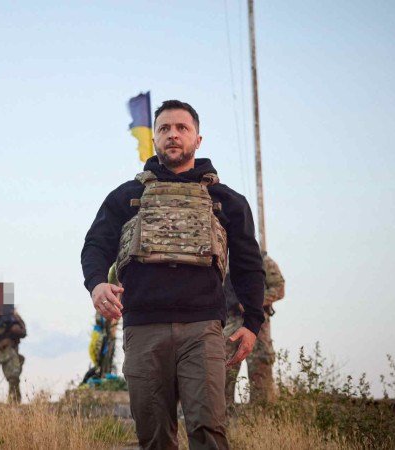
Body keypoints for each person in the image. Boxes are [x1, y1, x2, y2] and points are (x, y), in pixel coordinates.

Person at [81, 100, 265, 449]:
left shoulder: (228, 201)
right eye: (164, 128)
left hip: (203, 329)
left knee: (209, 432)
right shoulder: (126, 196)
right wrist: (97, 284)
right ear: (155, 139)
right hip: (143, 329)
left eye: (182, 128)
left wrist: (253, 322)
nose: (173, 134)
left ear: (198, 139)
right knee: (153, 437)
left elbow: (248, 264)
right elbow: (95, 245)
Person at [225, 253, 285, 406]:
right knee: (224, 371)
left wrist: (253, 303)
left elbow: (279, 289)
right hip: (230, 323)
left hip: (256, 324)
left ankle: (260, 415)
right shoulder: (222, 257)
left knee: (260, 370)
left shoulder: (261, 260)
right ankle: (226, 415)